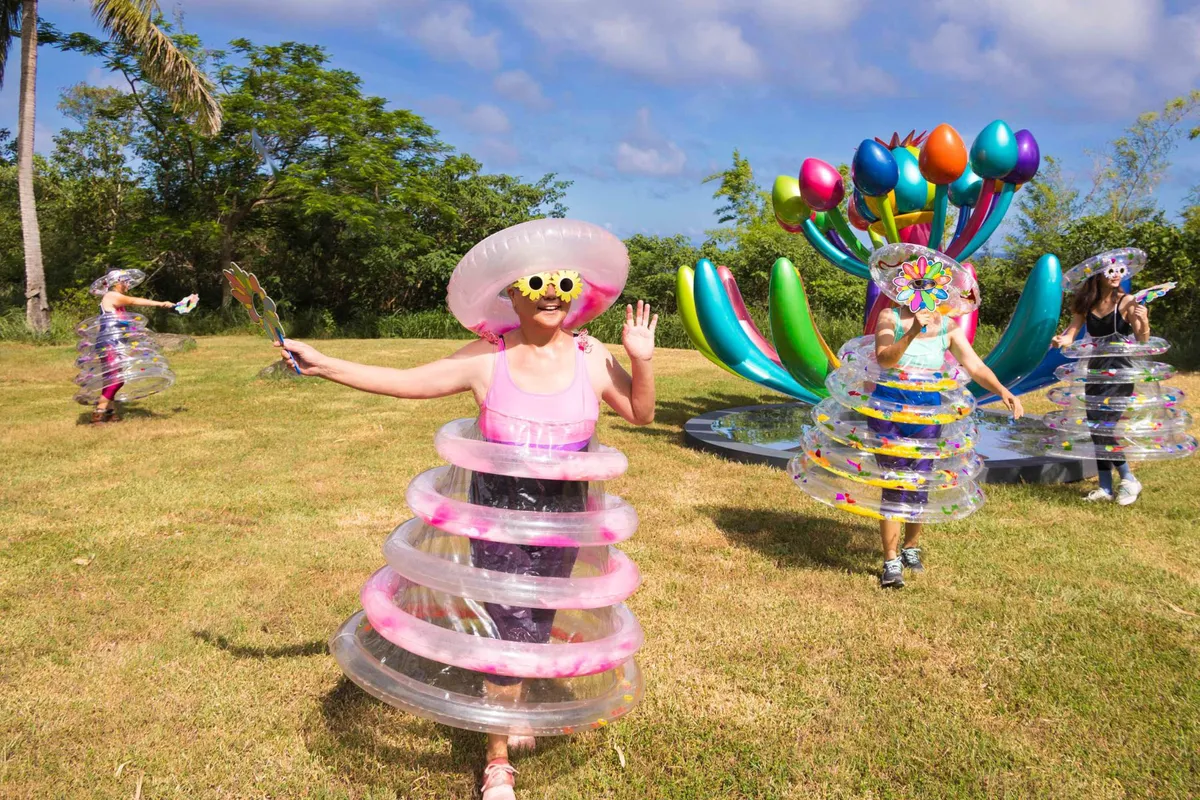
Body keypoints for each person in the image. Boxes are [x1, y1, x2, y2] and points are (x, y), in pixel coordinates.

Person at [280, 236, 656, 800]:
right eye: (535, 283)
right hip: (496, 513)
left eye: (562, 282)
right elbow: (408, 382)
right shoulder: (488, 358)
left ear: (577, 292)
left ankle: (515, 706)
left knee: (541, 613)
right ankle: (498, 759)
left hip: (564, 515)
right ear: (511, 292)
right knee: (509, 625)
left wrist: (639, 359)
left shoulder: (591, 356)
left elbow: (642, 413)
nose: (549, 293)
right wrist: (327, 365)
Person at [872, 304, 1023, 588]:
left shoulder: (948, 326)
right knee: (895, 481)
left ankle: (910, 548)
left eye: (931, 283)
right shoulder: (890, 317)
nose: (924, 290)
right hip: (889, 410)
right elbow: (884, 360)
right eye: (918, 282)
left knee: (921, 480)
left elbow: (975, 366)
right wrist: (913, 331)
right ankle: (891, 560)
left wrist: (1002, 390)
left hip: (928, 411)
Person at [1051, 263, 1150, 505]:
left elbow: (1142, 337)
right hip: (1094, 372)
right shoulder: (1088, 303)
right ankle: (1105, 487)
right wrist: (1061, 339)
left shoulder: (1127, 302)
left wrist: (1143, 319)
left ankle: (1128, 478)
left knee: (1105, 428)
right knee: (1096, 430)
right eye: (1111, 271)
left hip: (1120, 373)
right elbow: (1072, 332)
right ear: (1098, 275)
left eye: (1120, 271)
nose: (1117, 275)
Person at [89, 269, 178, 424]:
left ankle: (110, 413)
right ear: (117, 282)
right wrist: (161, 303)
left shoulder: (116, 302)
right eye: (125, 281)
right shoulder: (111, 296)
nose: (128, 284)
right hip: (110, 344)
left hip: (116, 343)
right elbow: (133, 301)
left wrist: (137, 333)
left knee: (112, 379)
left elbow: (121, 323)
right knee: (117, 380)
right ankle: (99, 411)